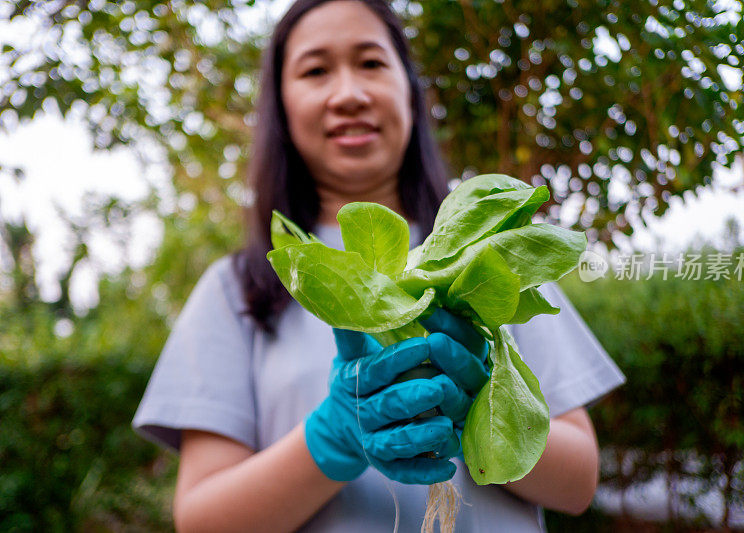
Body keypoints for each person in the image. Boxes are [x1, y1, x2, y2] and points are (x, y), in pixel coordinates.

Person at [132, 0, 626, 531]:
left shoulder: (491, 250)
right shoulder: (237, 288)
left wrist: (477, 406)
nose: (349, 94)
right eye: (316, 70)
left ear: (409, 93)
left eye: (371, 63)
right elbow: (202, 520)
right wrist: (332, 437)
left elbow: (579, 483)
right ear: (282, 104)